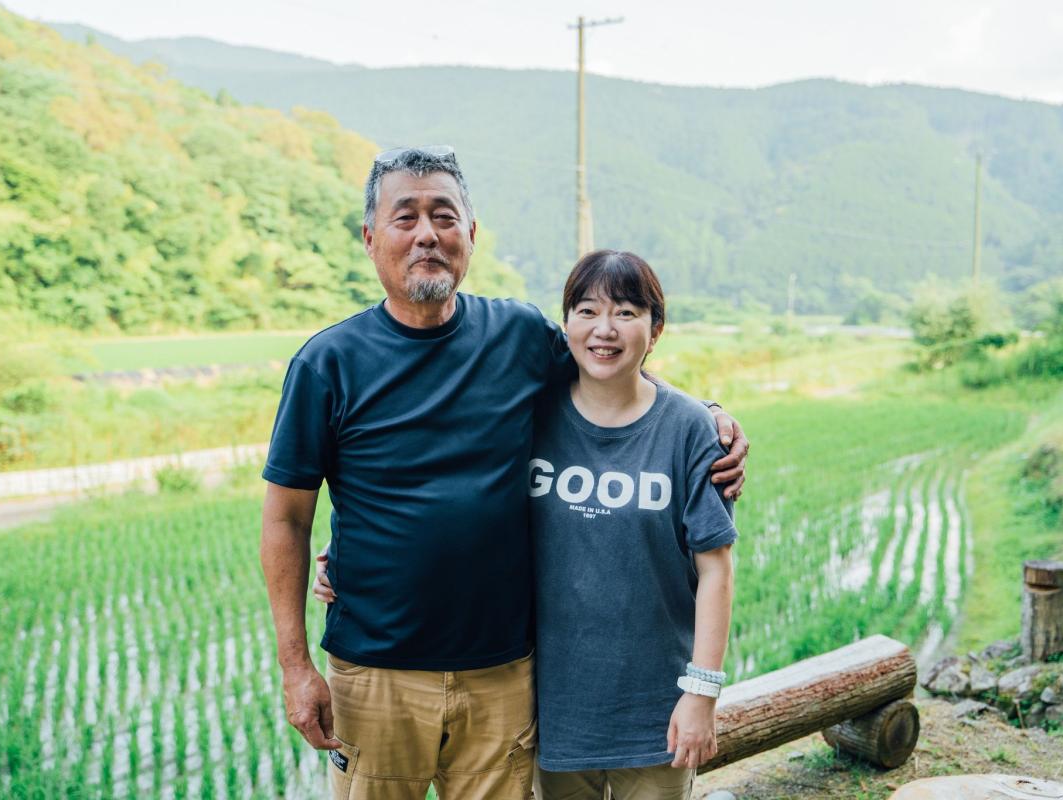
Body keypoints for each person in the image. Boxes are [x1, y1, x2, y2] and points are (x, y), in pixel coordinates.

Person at [260, 146, 747, 800]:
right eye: (406, 218)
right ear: (371, 238)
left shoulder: (516, 334)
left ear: (471, 235)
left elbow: (605, 363)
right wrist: (296, 669)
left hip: (502, 678)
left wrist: (704, 415)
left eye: (444, 216)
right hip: (375, 676)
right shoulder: (328, 364)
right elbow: (287, 520)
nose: (427, 233)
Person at [529, 250, 735, 799]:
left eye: (625, 312)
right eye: (587, 310)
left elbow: (715, 571)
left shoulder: (690, 428)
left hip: (656, 713)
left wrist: (702, 693)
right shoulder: (530, 414)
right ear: (566, 322)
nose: (604, 329)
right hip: (551, 709)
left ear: (655, 328)